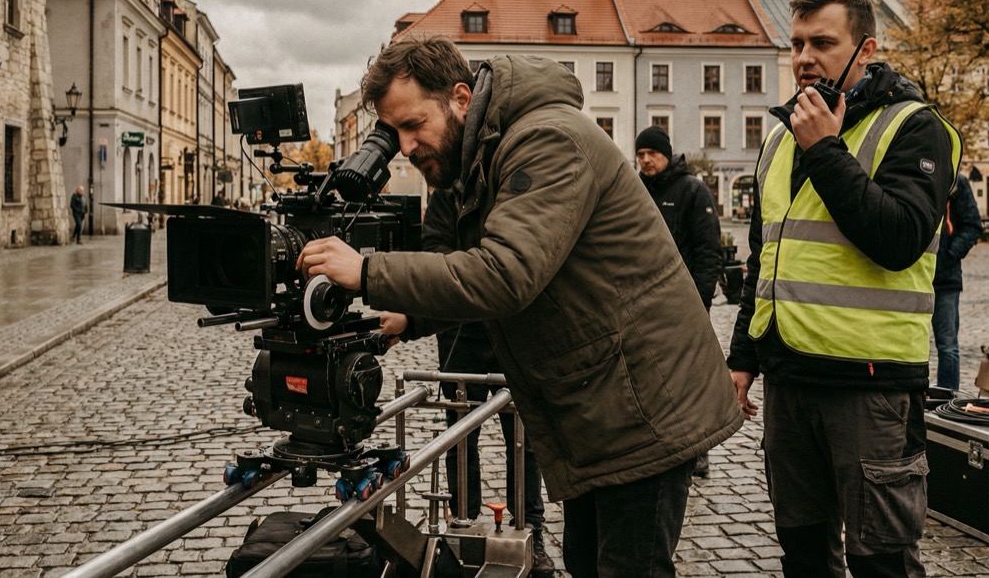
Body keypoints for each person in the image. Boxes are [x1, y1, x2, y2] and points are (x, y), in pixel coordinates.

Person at [298, 34, 743, 578]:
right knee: (587, 561)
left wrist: (368, 273)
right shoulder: (484, 153)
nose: (407, 146)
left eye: (414, 125)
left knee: (629, 567)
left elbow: (505, 274)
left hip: (642, 404)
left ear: (461, 98)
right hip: (603, 403)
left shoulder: (546, 139)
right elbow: (486, 265)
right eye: (394, 133)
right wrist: (412, 316)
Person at [727, 0, 960, 578]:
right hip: (790, 380)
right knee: (803, 553)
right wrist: (744, 359)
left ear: (866, 49)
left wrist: (827, 150)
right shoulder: (780, 137)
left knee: (881, 560)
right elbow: (766, 258)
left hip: (870, 385)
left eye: (823, 43)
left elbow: (899, 239)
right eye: (798, 42)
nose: (805, 57)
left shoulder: (914, 127)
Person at [420, 189, 551, 574]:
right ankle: (462, 522)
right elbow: (434, 252)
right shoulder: (449, 191)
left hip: (515, 329)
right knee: (460, 436)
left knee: (523, 438)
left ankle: (531, 527)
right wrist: (481, 270)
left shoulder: (510, 181)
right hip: (461, 331)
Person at [635, 124, 723, 478]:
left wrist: (700, 301)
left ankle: (699, 450)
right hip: (644, 305)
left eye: (651, 154)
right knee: (651, 379)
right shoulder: (636, 189)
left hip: (684, 303)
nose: (645, 161)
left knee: (689, 381)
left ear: (666, 154)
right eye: (640, 155)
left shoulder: (692, 190)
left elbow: (707, 251)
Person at [931, 172, 982, 390]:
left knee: (947, 345)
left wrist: (950, 254)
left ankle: (947, 396)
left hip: (945, 277)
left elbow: (973, 226)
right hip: (913, 276)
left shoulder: (956, 182)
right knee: (909, 342)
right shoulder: (917, 172)